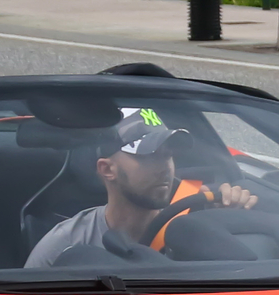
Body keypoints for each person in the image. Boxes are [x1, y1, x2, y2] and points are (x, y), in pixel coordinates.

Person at [24, 112, 257, 268]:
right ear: (107, 170)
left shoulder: (197, 222)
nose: (165, 167)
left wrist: (231, 218)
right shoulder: (65, 243)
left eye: (168, 154)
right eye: (148, 156)